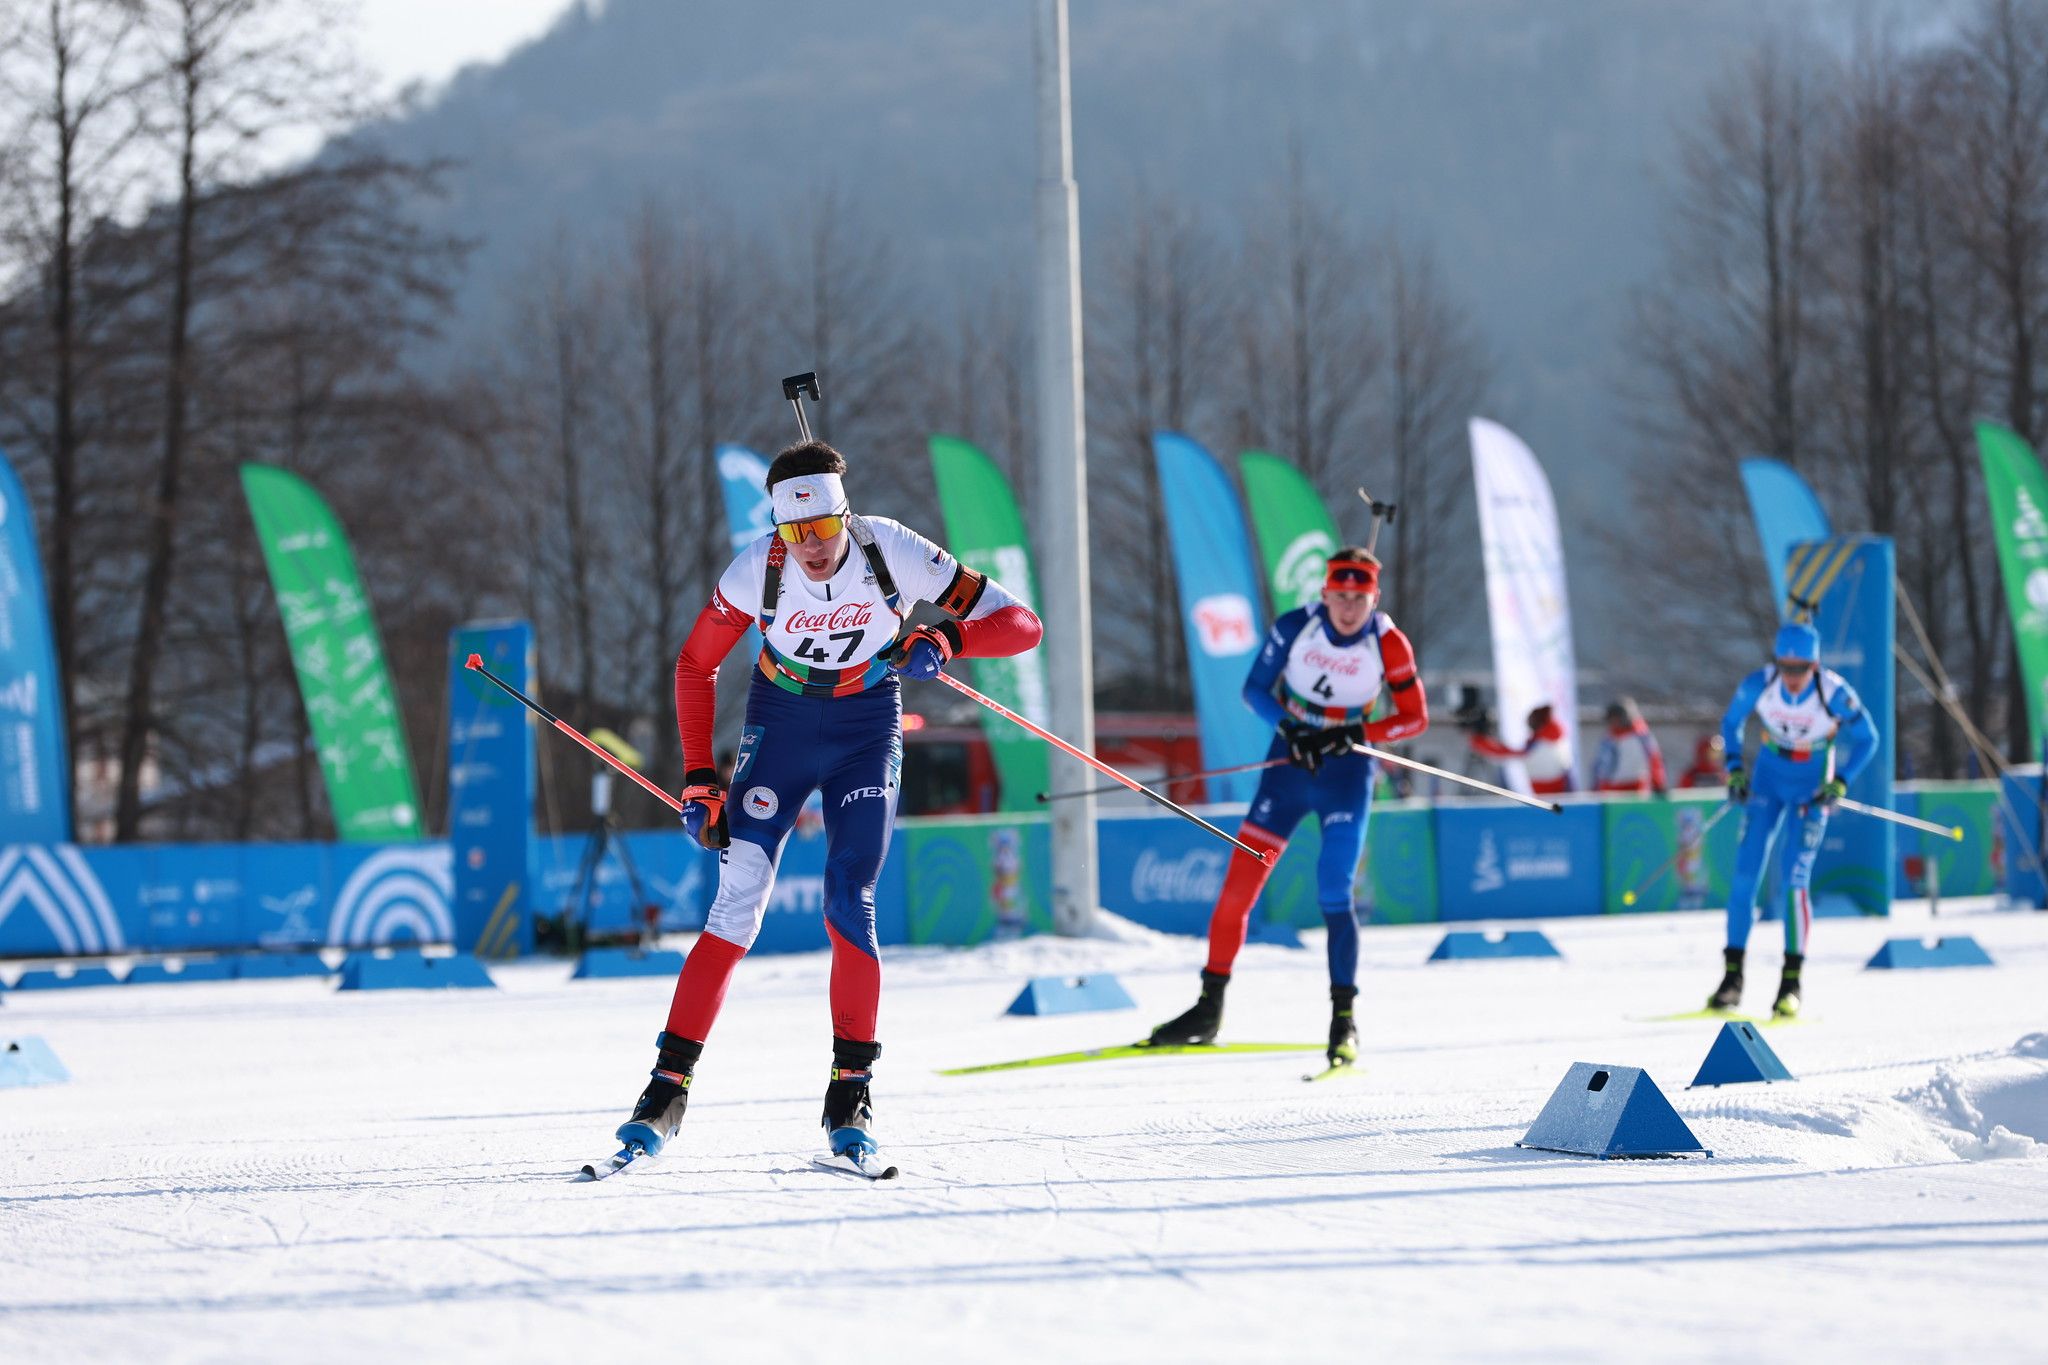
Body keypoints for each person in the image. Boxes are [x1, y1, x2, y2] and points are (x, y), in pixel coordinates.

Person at [615, 440, 1042, 1166]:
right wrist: (699, 778)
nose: (809, 548)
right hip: (780, 724)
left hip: (865, 727)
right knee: (735, 905)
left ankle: (851, 1092)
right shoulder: (757, 568)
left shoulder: (892, 550)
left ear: (845, 516)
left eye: (820, 529)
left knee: (849, 897)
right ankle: (665, 1090)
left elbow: (1022, 625)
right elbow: (695, 663)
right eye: (793, 531)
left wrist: (948, 637)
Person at [1148, 547, 1428, 1069]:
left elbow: (1415, 718)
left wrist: (1357, 731)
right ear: (1325, 594)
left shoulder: (1387, 641)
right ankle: (1208, 1007)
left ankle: (1343, 1019)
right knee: (1238, 888)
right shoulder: (1298, 625)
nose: (1349, 608)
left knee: (1334, 890)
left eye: (1360, 598)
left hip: (1346, 772)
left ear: (1374, 599)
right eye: (1340, 596)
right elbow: (1254, 689)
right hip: (1290, 765)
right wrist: (1291, 728)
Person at [1710, 621, 1878, 1017]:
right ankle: (1732, 979)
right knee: (1745, 875)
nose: (1791, 676)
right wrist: (1734, 768)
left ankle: (1791, 983)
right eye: (1785, 667)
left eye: (1799, 669)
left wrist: (1840, 781)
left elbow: (1868, 738)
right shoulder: (1760, 683)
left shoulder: (1834, 693)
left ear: (1814, 666)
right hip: (1768, 779)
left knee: (1794, 881)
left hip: (1811, 785)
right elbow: (1731, 722)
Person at [1469, 703, 1576, 795]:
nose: (1528, 724)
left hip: (1551, 794)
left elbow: (1504, 754)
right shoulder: (1554, 737)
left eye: (1531, 720)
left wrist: (1478, 740)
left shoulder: (1541, 743)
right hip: (1561, 791)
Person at [1592, 696, 1668, 794]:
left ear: (1625, 717)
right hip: (1610, 787)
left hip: (1635, 787)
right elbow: (1599, 765)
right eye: (1611, 719)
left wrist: (1658, 783)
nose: (1614, 722)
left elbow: (1654, 760)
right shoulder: (1609, 739)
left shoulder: (1642, 736)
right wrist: (1595, 787)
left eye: (1616, 718)